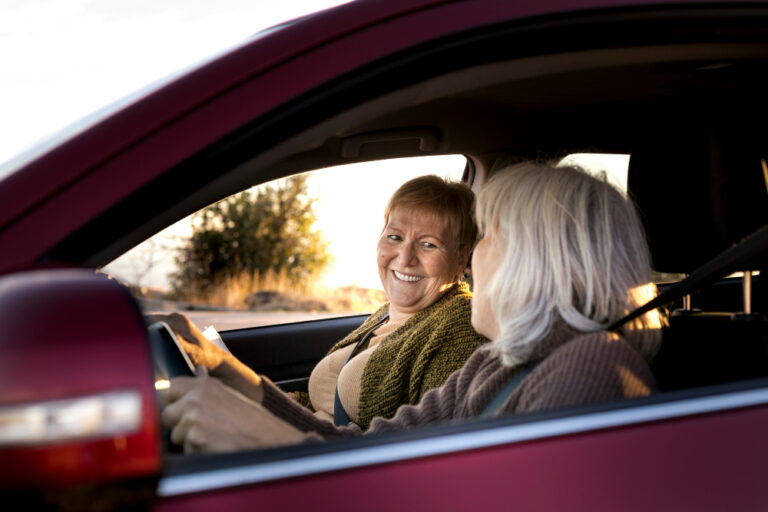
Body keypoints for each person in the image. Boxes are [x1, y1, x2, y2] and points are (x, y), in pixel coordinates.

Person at [161, 162, 663, 452]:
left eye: (485, 239)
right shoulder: (501, 362)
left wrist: (268, 445)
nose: (471, 262)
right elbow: (373, 448)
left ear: (537, 261)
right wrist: (226, 370)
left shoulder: (591, 372)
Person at [152, 174, 486, 433]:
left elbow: (410, 448)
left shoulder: (458, 324)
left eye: (428, 245)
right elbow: (311, 411)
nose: (404, 257)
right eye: (395, 237)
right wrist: (225, 375)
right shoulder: (386, 315)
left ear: (461, 259)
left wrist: (243, 409)